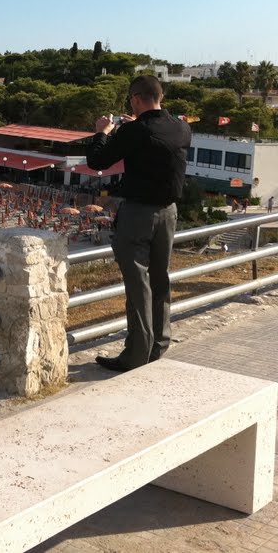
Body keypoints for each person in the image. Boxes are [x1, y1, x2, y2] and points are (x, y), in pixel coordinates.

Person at [86, 75, 192, 373]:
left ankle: (135, 354)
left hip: (138, 215)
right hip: (168, 213)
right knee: (160, 280)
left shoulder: (135, 131)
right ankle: (158, 345)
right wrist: (133, 125)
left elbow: (97, 161)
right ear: (160, 96)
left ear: (135, 99)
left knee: (137, 285)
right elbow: (154, 141)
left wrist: (102, 132)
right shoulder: (182, 127)